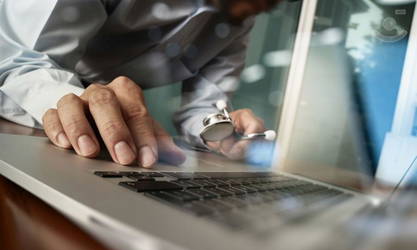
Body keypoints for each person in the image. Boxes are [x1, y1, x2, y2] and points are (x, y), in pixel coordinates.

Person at [0, 0, 282, 168]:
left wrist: (219, 128)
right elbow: (20, 61)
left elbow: (202, 108)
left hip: (89, 131)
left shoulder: (239, 18)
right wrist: (74, 99)